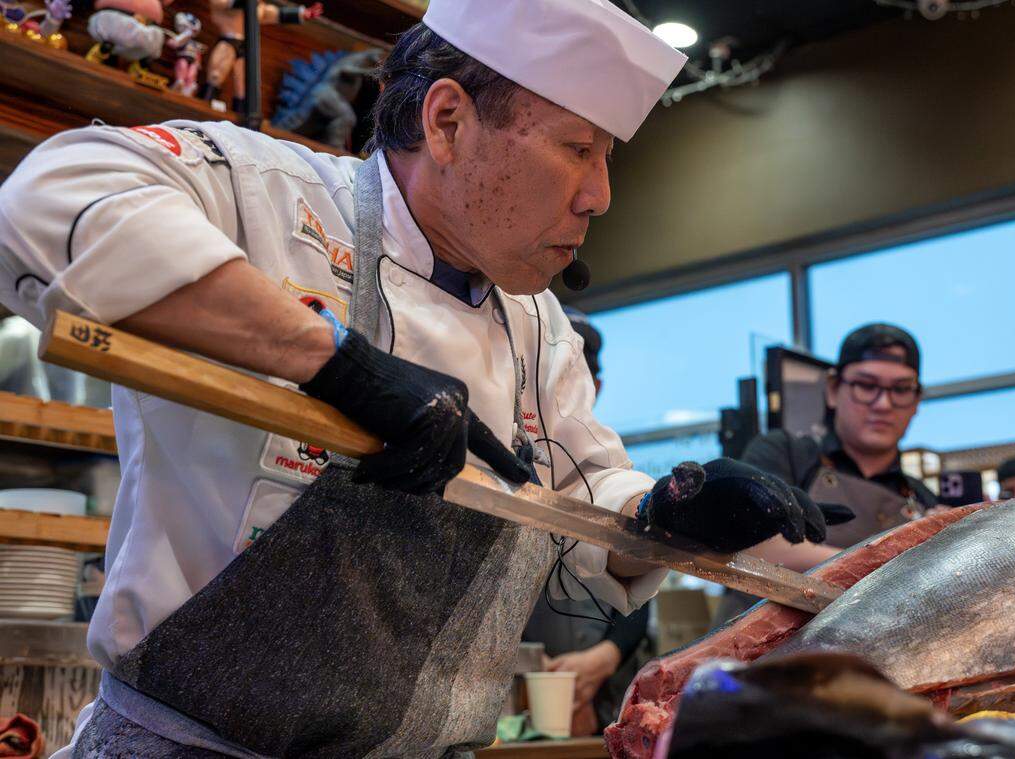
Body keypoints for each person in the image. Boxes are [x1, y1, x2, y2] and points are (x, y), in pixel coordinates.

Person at [0, 1, 842, 755]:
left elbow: (579, 505)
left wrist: (669, 509)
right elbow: (43, 195)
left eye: (607, 156)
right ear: (446, 122)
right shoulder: (267, 195)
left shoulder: (536, 318)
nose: (600, 196)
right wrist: (334, 363)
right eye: (578, 149)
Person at [714, 323, 938, 626]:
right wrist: (899, 567)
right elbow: (755, 547)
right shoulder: (785, 454)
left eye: (900, 389)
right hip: (757, 655)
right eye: (866, 385)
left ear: (916, 402)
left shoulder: (922, 498)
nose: (883, 404)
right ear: (833, 389)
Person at [523, 306, 648, 737]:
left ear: (592, 386)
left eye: (569, 380)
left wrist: (608, 654)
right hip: (513, 683)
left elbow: (639, 595)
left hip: (600, 684)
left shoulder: (620, 473)